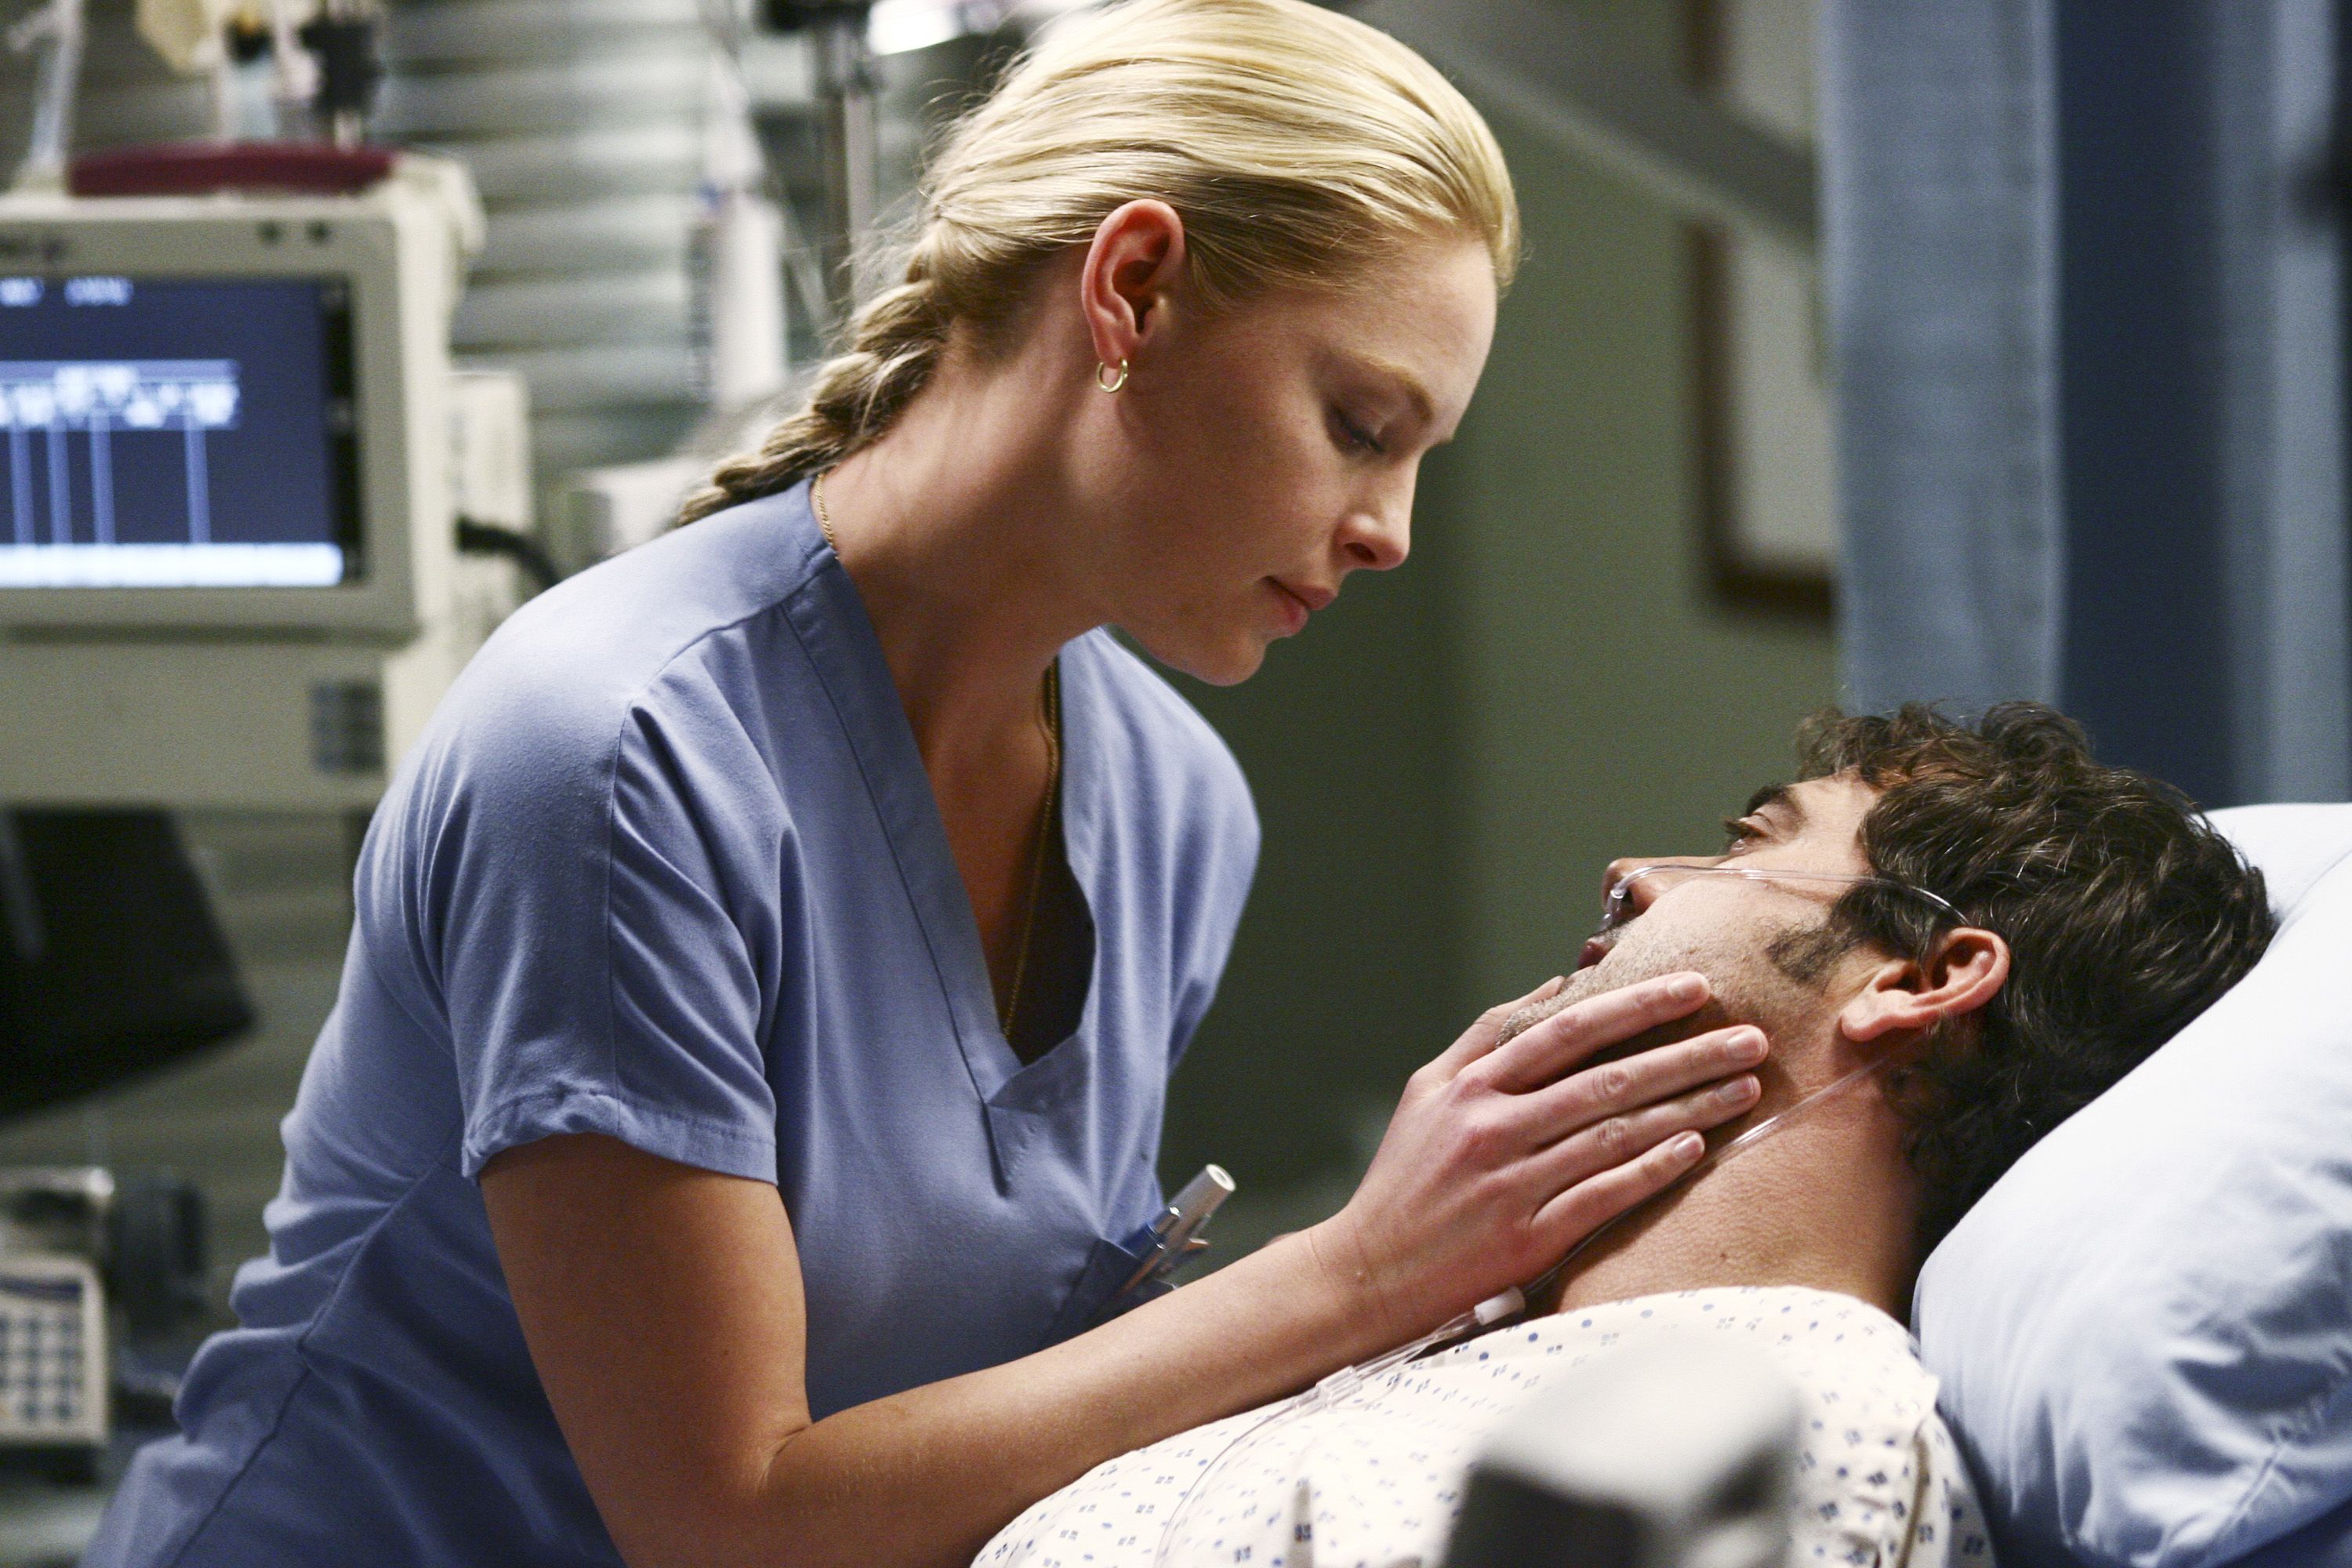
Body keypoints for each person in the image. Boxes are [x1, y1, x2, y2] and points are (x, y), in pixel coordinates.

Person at [85, 5, 1775, 1566]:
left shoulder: (1175, 811)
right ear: (1133, 290)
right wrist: (1360, 1267)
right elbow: (728, 1521)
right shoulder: (617, 755)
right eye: (1358, 424)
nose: (1390, 533)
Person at [980, 702, 2276, 1568]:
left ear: (1923, 980)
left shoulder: (1791, 1437)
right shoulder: (1437, 1332)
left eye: (1749, 842)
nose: (1633, 875)